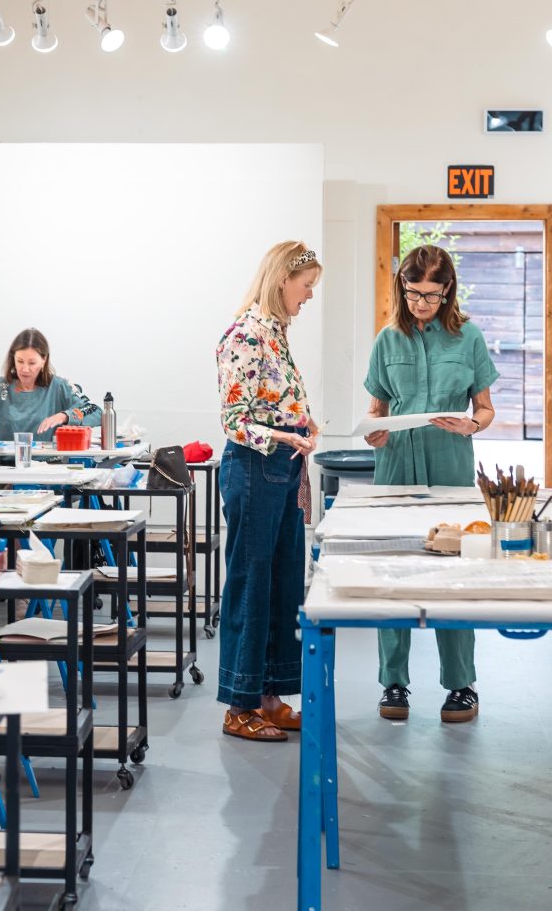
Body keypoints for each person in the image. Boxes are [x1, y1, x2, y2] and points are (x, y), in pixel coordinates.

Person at [362, 244, 499, 724]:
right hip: (396, 467)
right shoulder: (387, 340)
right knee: (392, 572)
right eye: (414, 293)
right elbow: (377, 413)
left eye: (432, 296)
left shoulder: (469, 339)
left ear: (448, 292)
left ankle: (461, 684)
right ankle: (393, 682)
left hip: (449, 468)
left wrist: (473, 425)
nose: (421, 304)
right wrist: (374, 432)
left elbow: (484, 408)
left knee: (453, 576)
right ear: (402, 288)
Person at [215, 241, 321, 742]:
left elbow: (273, 403)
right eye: (307, 287)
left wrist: (302, 420)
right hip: (254, 470)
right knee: (252, 586)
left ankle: (269, 697)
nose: (309, 297)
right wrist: (284, 434)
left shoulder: (276, 335)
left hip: (280, 469)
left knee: (281, 584)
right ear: (283, 280)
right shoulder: (246, 335)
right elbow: (235, 421)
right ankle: (239, 705)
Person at [0, 328, 101, 443]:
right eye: (20, 361)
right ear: (13, 358)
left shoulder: (58, 386)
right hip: (6, 468)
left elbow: (96, 411)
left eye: (32, 363)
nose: (25, 369)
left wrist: (65, 416)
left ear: (44, 360)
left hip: (48, 467)